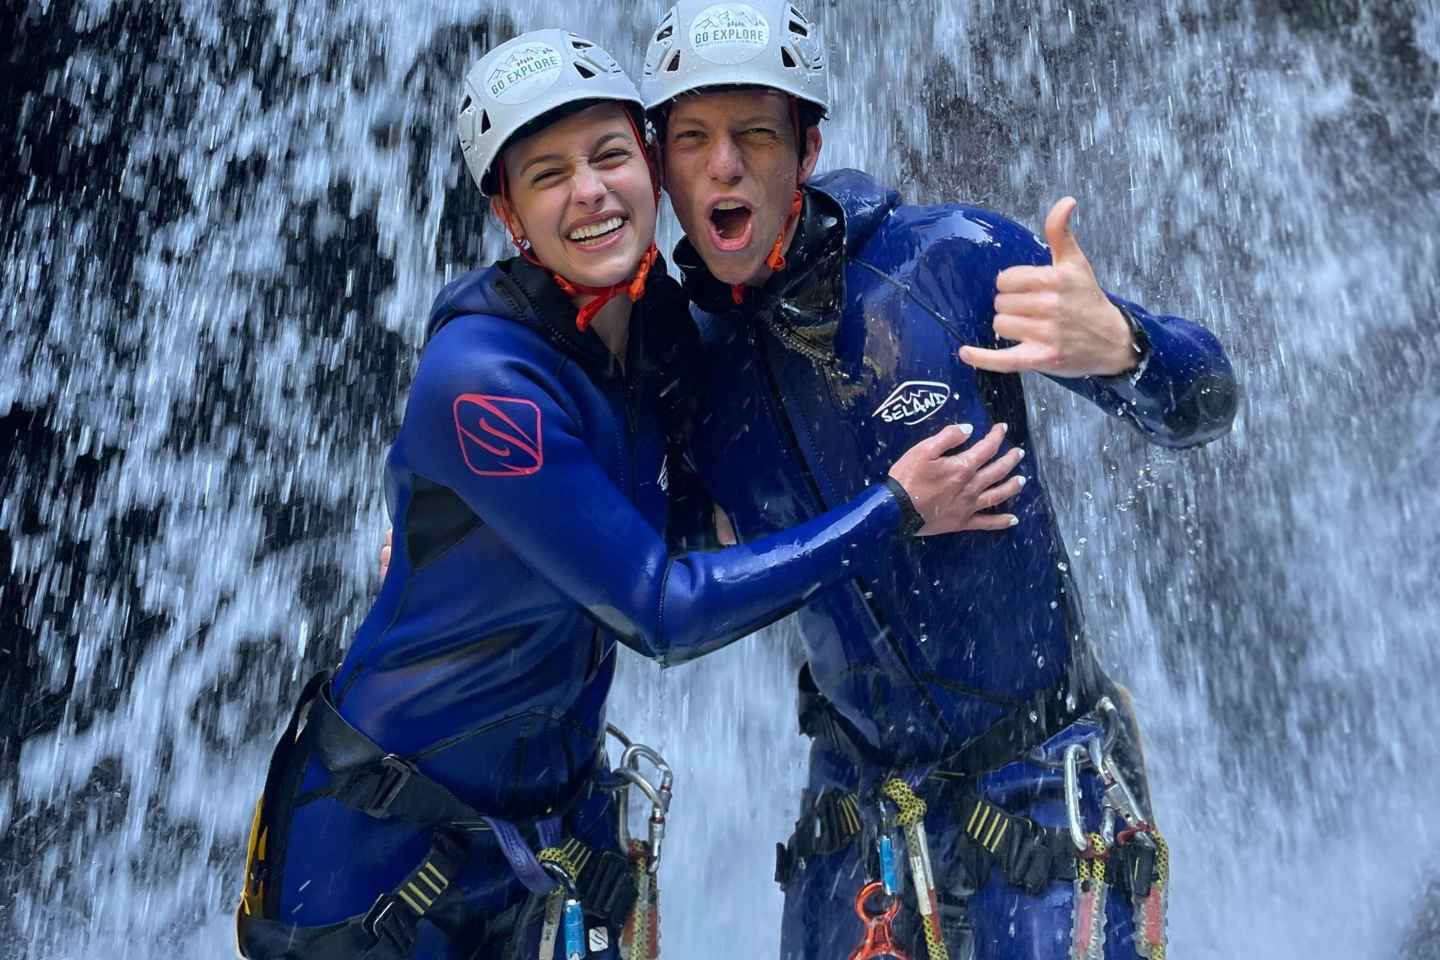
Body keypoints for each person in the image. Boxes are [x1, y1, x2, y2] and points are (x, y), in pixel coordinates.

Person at [234, 28, 1025, 960]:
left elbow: (706, 483)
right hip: (378, 849)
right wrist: (894, 506)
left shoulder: (660, 331)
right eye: (548, 174)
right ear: (509, 217)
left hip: (562, 830)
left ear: (651, 166)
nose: (591, 192)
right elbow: (660, 611)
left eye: (611, 156)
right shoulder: (481, 378)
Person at [638, 2, 1238, 958]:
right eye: (693, 139)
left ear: (807, 145)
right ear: (659, 165)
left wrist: (1125, 348)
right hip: (855, 806)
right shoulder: (682, 366)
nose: (725, 164)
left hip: (1041, 779)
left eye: (756, 131)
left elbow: (1208, 402)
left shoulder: (949, 259)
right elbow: (642, 578)